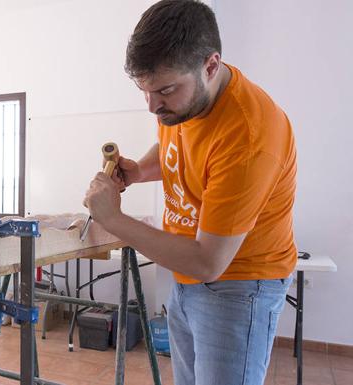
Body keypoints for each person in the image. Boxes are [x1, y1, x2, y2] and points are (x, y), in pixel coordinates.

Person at [82, 1, 297, 384]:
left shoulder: (249, 137)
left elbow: (208, 261)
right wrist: (141, 170)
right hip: (187, 277)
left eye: (164, 90)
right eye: (144, 90)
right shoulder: (184, 104)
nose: (152, 106)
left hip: (238, 284)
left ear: (210, 65)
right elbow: (177, 146)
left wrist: (113, 219)